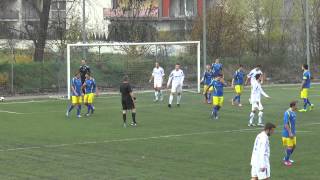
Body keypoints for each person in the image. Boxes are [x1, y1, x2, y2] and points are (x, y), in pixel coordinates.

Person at [282, 101, 298, 166]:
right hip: (288, 134)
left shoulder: (293, 112)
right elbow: (286, 124)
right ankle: (286, 160)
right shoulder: (287, 113)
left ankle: (286, 157)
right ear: (293, 106)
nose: (297, 106)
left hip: (293, 133)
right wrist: (290, 133)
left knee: (294, 146)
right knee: (290, 146)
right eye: (296, 105)